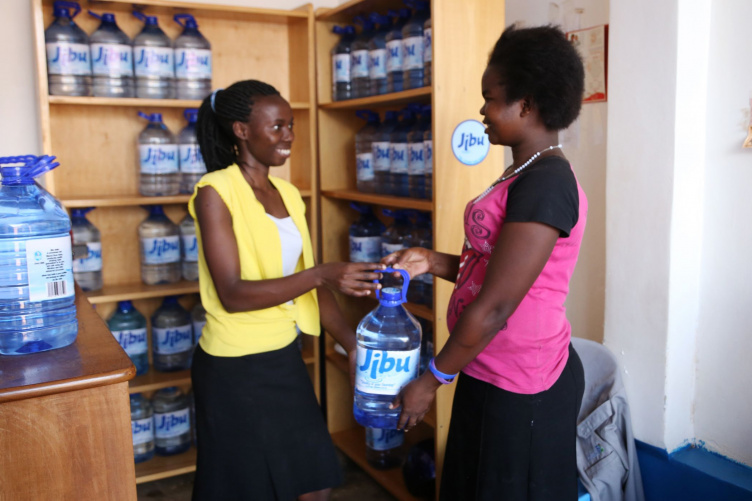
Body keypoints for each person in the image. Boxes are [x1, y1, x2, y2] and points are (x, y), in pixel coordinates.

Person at [383, 25, 588, 500]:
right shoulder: (523, 171)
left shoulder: (547, 183)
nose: (481, 111)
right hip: (486, 365)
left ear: (527, 104)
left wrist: (432, 379)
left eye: (490, 98)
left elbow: (496, 306)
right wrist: (432, 261)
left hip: (522, 388)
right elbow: (497, 272)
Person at [189, 79, 383, 501]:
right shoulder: (215, 193)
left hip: (283, 357)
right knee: (250, 489)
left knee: (314, 483)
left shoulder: (289, 194)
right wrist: (320, 275)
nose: (289, 136)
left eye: (291, 125)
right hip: (234, 368)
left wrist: (353, 346)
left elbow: (311, 285)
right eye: (277, 126)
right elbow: (233, 294)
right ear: (241, 131)